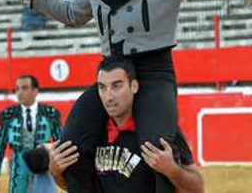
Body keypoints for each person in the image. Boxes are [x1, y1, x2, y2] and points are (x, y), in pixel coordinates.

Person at [13, 0, 251, 193]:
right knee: (68, 148)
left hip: (153, 73)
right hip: (112, 74)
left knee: (158, 152)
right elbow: (73, 14)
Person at [49, 56, 204, 193]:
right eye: (102, 87)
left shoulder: (158, 128)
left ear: (134, 86)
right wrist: (56, 172)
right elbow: (76, 186)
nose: (108, 96)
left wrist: (173, 171)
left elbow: (197, 189)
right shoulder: (91, 131)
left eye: (116, 86)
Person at [0, 75, 62, 193]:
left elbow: (61, 142)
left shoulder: (50, 114)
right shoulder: (8, 115)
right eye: (17, 89)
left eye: (24, 88)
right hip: (18, 173)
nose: (19, 93)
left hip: (44, 171)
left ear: (35, 91)